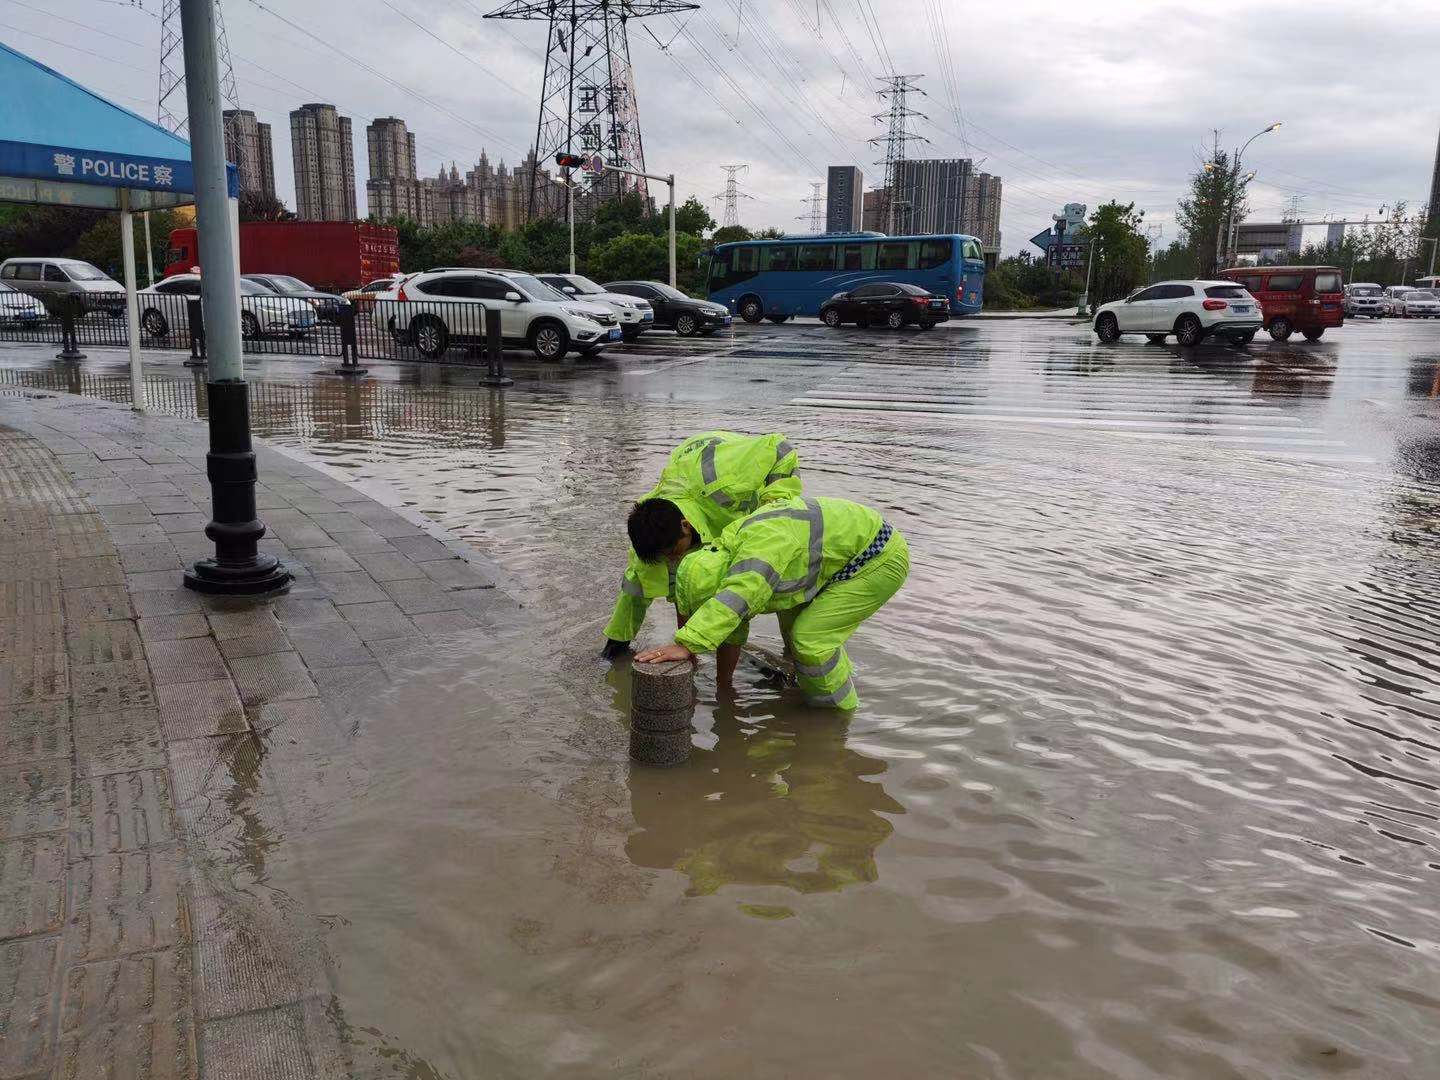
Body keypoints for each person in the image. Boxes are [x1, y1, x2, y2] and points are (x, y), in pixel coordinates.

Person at [636, 496, 909, 710]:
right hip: (839, 555)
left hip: (877, 558)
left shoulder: (757, 556)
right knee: (792, 626)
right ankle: (824, 680)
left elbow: (738, 598)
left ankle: (837, 716)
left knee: (810, 640)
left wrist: (687, 644)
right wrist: (724, 687)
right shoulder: (722, 551)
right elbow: (733, 626)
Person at [602, 431, 800, 657]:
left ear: (685, 526)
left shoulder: (726, 481)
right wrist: (617, 646)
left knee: (777, 573)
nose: (672, 560)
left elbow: (780, 447)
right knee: (671, 576)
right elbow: (641, 590)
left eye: (673, 552)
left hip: (728, 470)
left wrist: (772, 509)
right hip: (694, 491)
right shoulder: (650, 526)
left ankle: (791, 652)